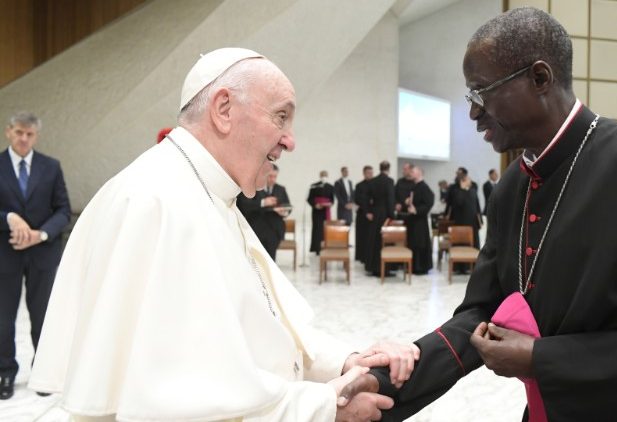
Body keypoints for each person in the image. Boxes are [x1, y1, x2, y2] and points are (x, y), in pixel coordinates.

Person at [350, 8, 617, 421]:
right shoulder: (512, 187)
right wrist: (387, 383)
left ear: (540, 78)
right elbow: (483, 313)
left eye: (481, 92)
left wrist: (543, 359)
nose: (473, 112)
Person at [28, 48, 419, 421]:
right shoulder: (154, 202)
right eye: (281, 117)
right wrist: (323, 408)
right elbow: (177, 400)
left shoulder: (213, 195)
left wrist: (348, 361)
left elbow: (266, 325)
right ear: (224, 109)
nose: (290, 140)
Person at [0, 112, 70, 400]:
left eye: (29, 134)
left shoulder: (51, 167)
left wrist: (40, 235)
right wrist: (10, 218)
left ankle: (42, 373)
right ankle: (5, 372)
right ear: (8, 132)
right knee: (3, 319)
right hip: (6, 253)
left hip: (43, 253)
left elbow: (63, 210)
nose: (23, 138)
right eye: (18, 132)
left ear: (36, 136)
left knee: (42, 316)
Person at [236, 164, 290, 261]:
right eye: (270, 176)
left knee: (271, 261)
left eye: (275, 176)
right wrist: (263, 202)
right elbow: (244, 205)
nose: (273, 179)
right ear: (264, 175)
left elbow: (287, 206)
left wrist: (284, 212)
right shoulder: (253, 187)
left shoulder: (281, 189)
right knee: (256, 261)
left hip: (274, 231)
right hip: (256, 230)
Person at [364, 161, 395, 277]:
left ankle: (373, 267)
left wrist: (368, 211)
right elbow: (390, 200)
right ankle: (385, 268)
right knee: (385, 241)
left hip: (374, 213)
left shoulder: (372, 181)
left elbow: (366, 198)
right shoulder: (389, 181)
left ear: (379, 168)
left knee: (374, 240)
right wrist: (392, 215)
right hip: (384, 215)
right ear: (388, 169)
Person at [404, 166, 434, 275]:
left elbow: (429, 202)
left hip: (420, 222)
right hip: (413, 221)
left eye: (413, 171)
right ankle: (413, 267)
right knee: (413, 243)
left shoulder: (424, 187)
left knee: (419, 243)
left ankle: (420, 267)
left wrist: (416, 210)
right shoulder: (415, 186)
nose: (410, 173)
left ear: (419, 173)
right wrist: (408, 201)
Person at [446, 167, 482, 253]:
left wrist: (479, 219)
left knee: (474, 242)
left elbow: (477, 204)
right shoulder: (454, 188)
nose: (459, 176)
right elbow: (453, 202)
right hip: (459, 219)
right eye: (458, 173)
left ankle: (473, 263)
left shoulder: (473, 186)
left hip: (472, 220)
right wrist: (462, 189)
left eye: (461, 174)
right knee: (460, 243)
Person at [307, 170, 335, 255]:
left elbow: (332, 199)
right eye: (322, 175)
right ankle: (317, 249)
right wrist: (315, 205)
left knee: (325, 229)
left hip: (326, 211)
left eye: (325, 175)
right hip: (317, 211)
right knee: (317, 229)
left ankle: (326, 247)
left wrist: (330, 204)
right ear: (320, 176)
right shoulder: (314, 186)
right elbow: (309, 199)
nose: (324, 176)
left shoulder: (331, 187)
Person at [354, 165, 374, 263]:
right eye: (368, 173)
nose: (370, 175)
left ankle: (370, 256)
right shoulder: (359, 186)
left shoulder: (376, 185)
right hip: (362, 214)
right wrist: (366, 211)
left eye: (371, 173)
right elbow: (357, 200)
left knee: (371, 237)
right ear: (364, 173)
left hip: (373, 215)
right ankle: (361, 256)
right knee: (362, 236)